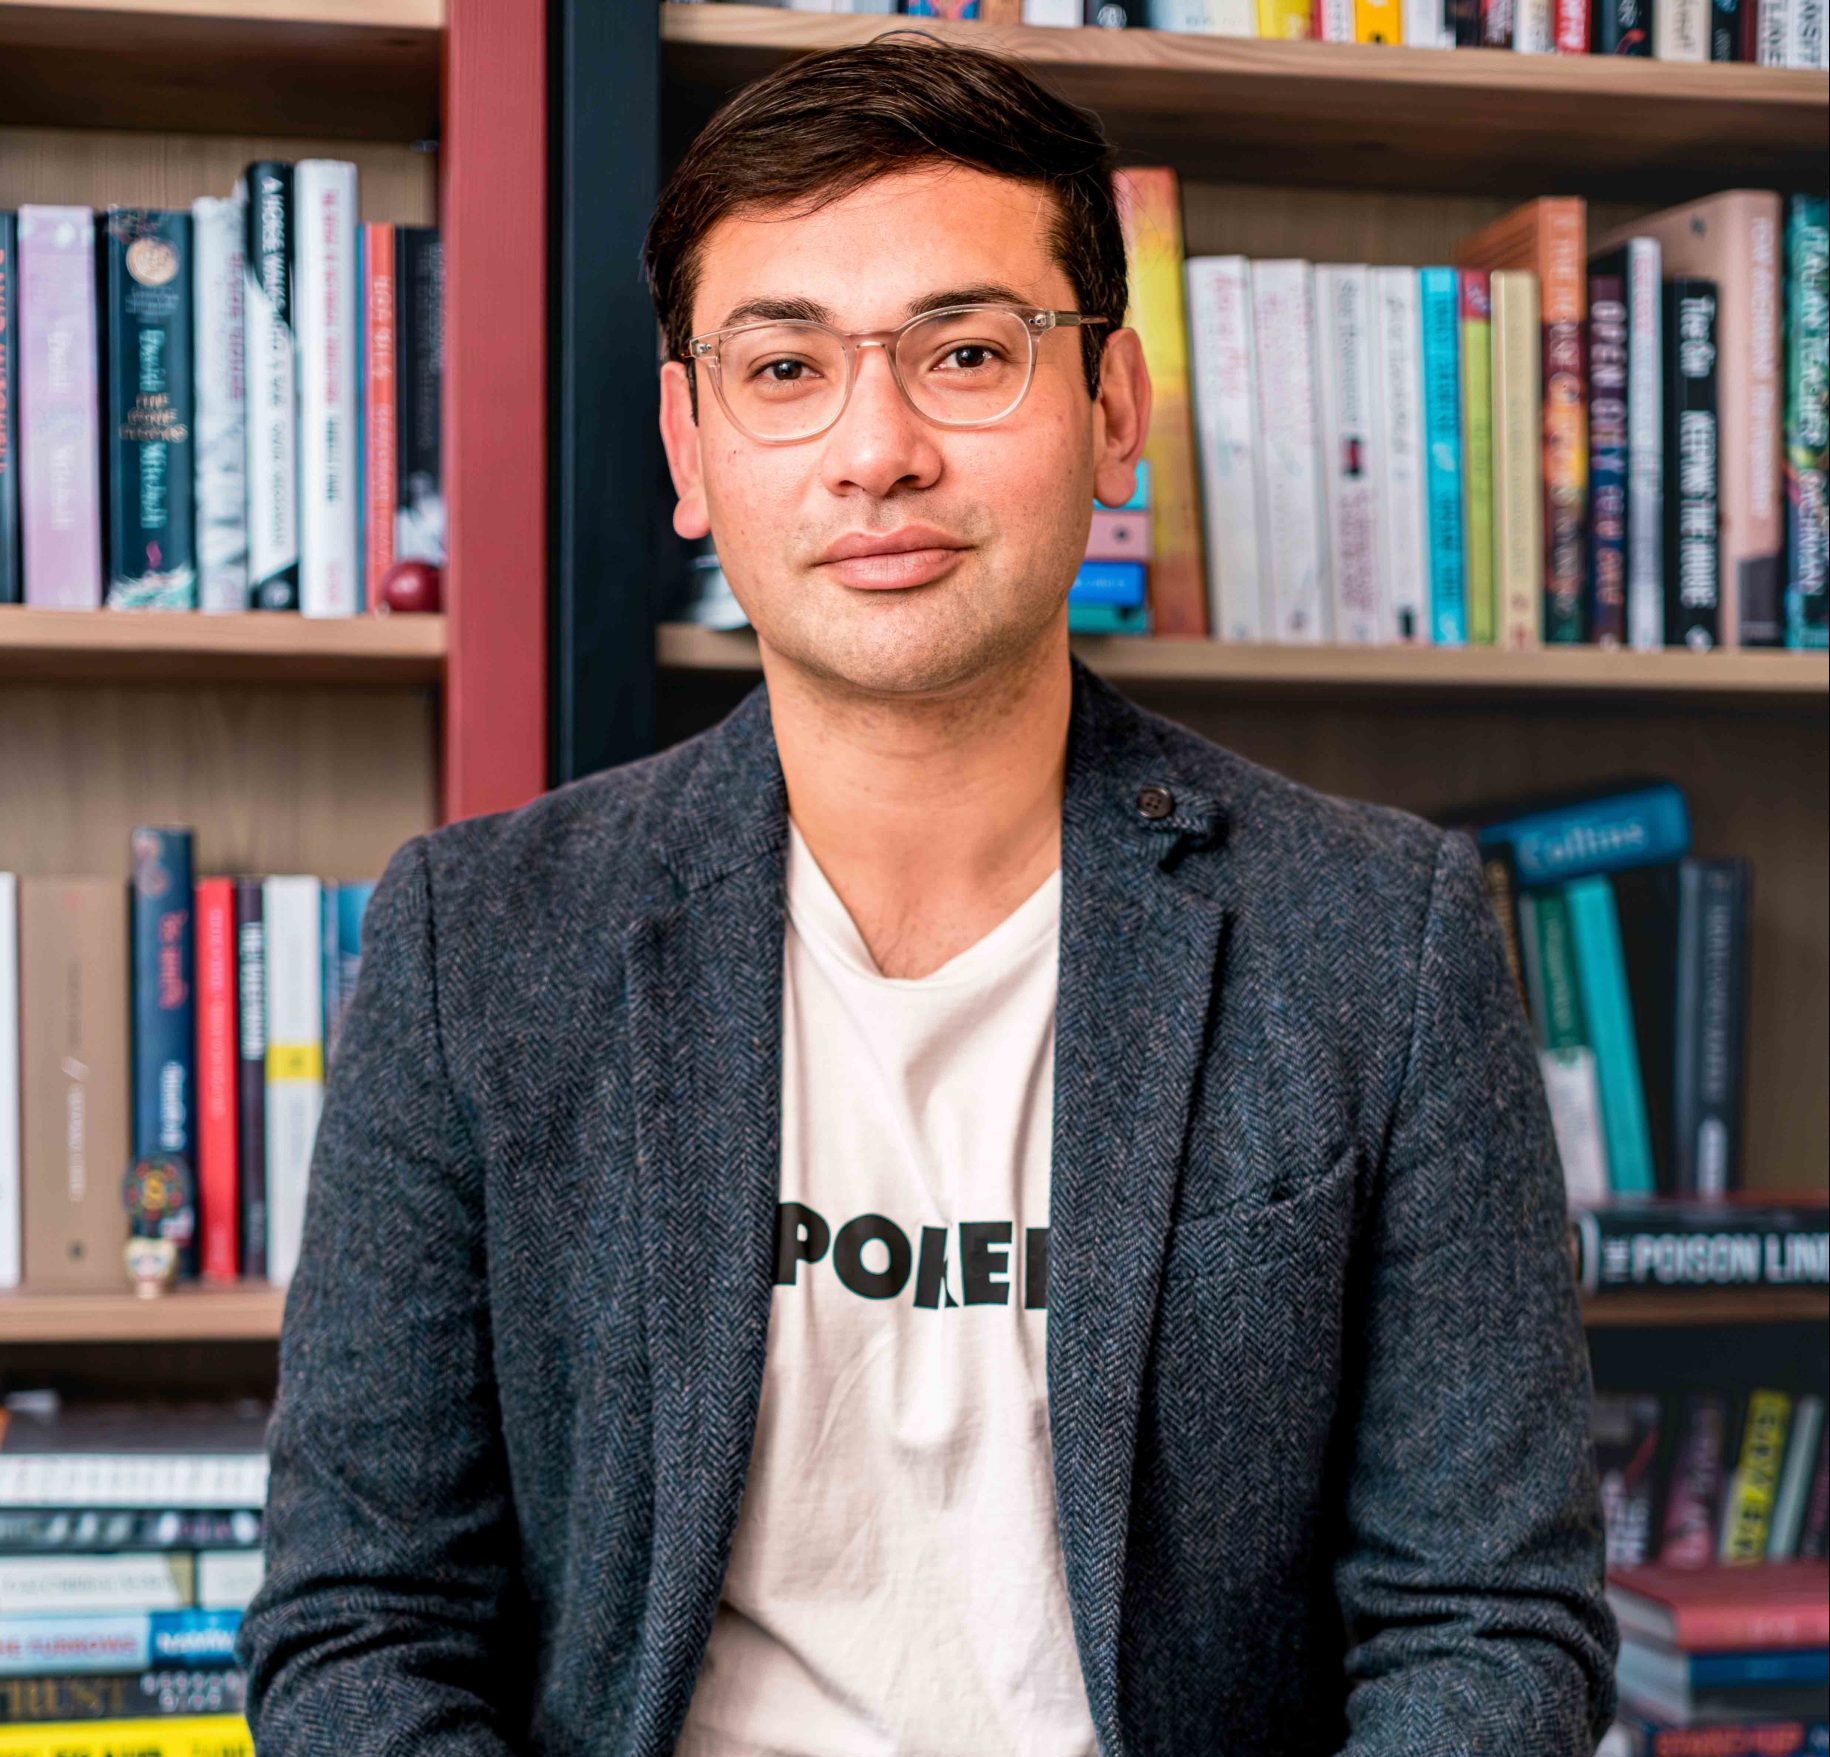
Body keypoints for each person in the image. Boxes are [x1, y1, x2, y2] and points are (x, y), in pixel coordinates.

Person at [237, 32, 1618, 1756]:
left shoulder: (1377, 939)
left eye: (966, 351)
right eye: (784, 366)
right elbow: (359, 1630)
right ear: (688, 442)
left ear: (1110, 409)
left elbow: (1488, 1628)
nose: (875, 450)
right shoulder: (479, 939)